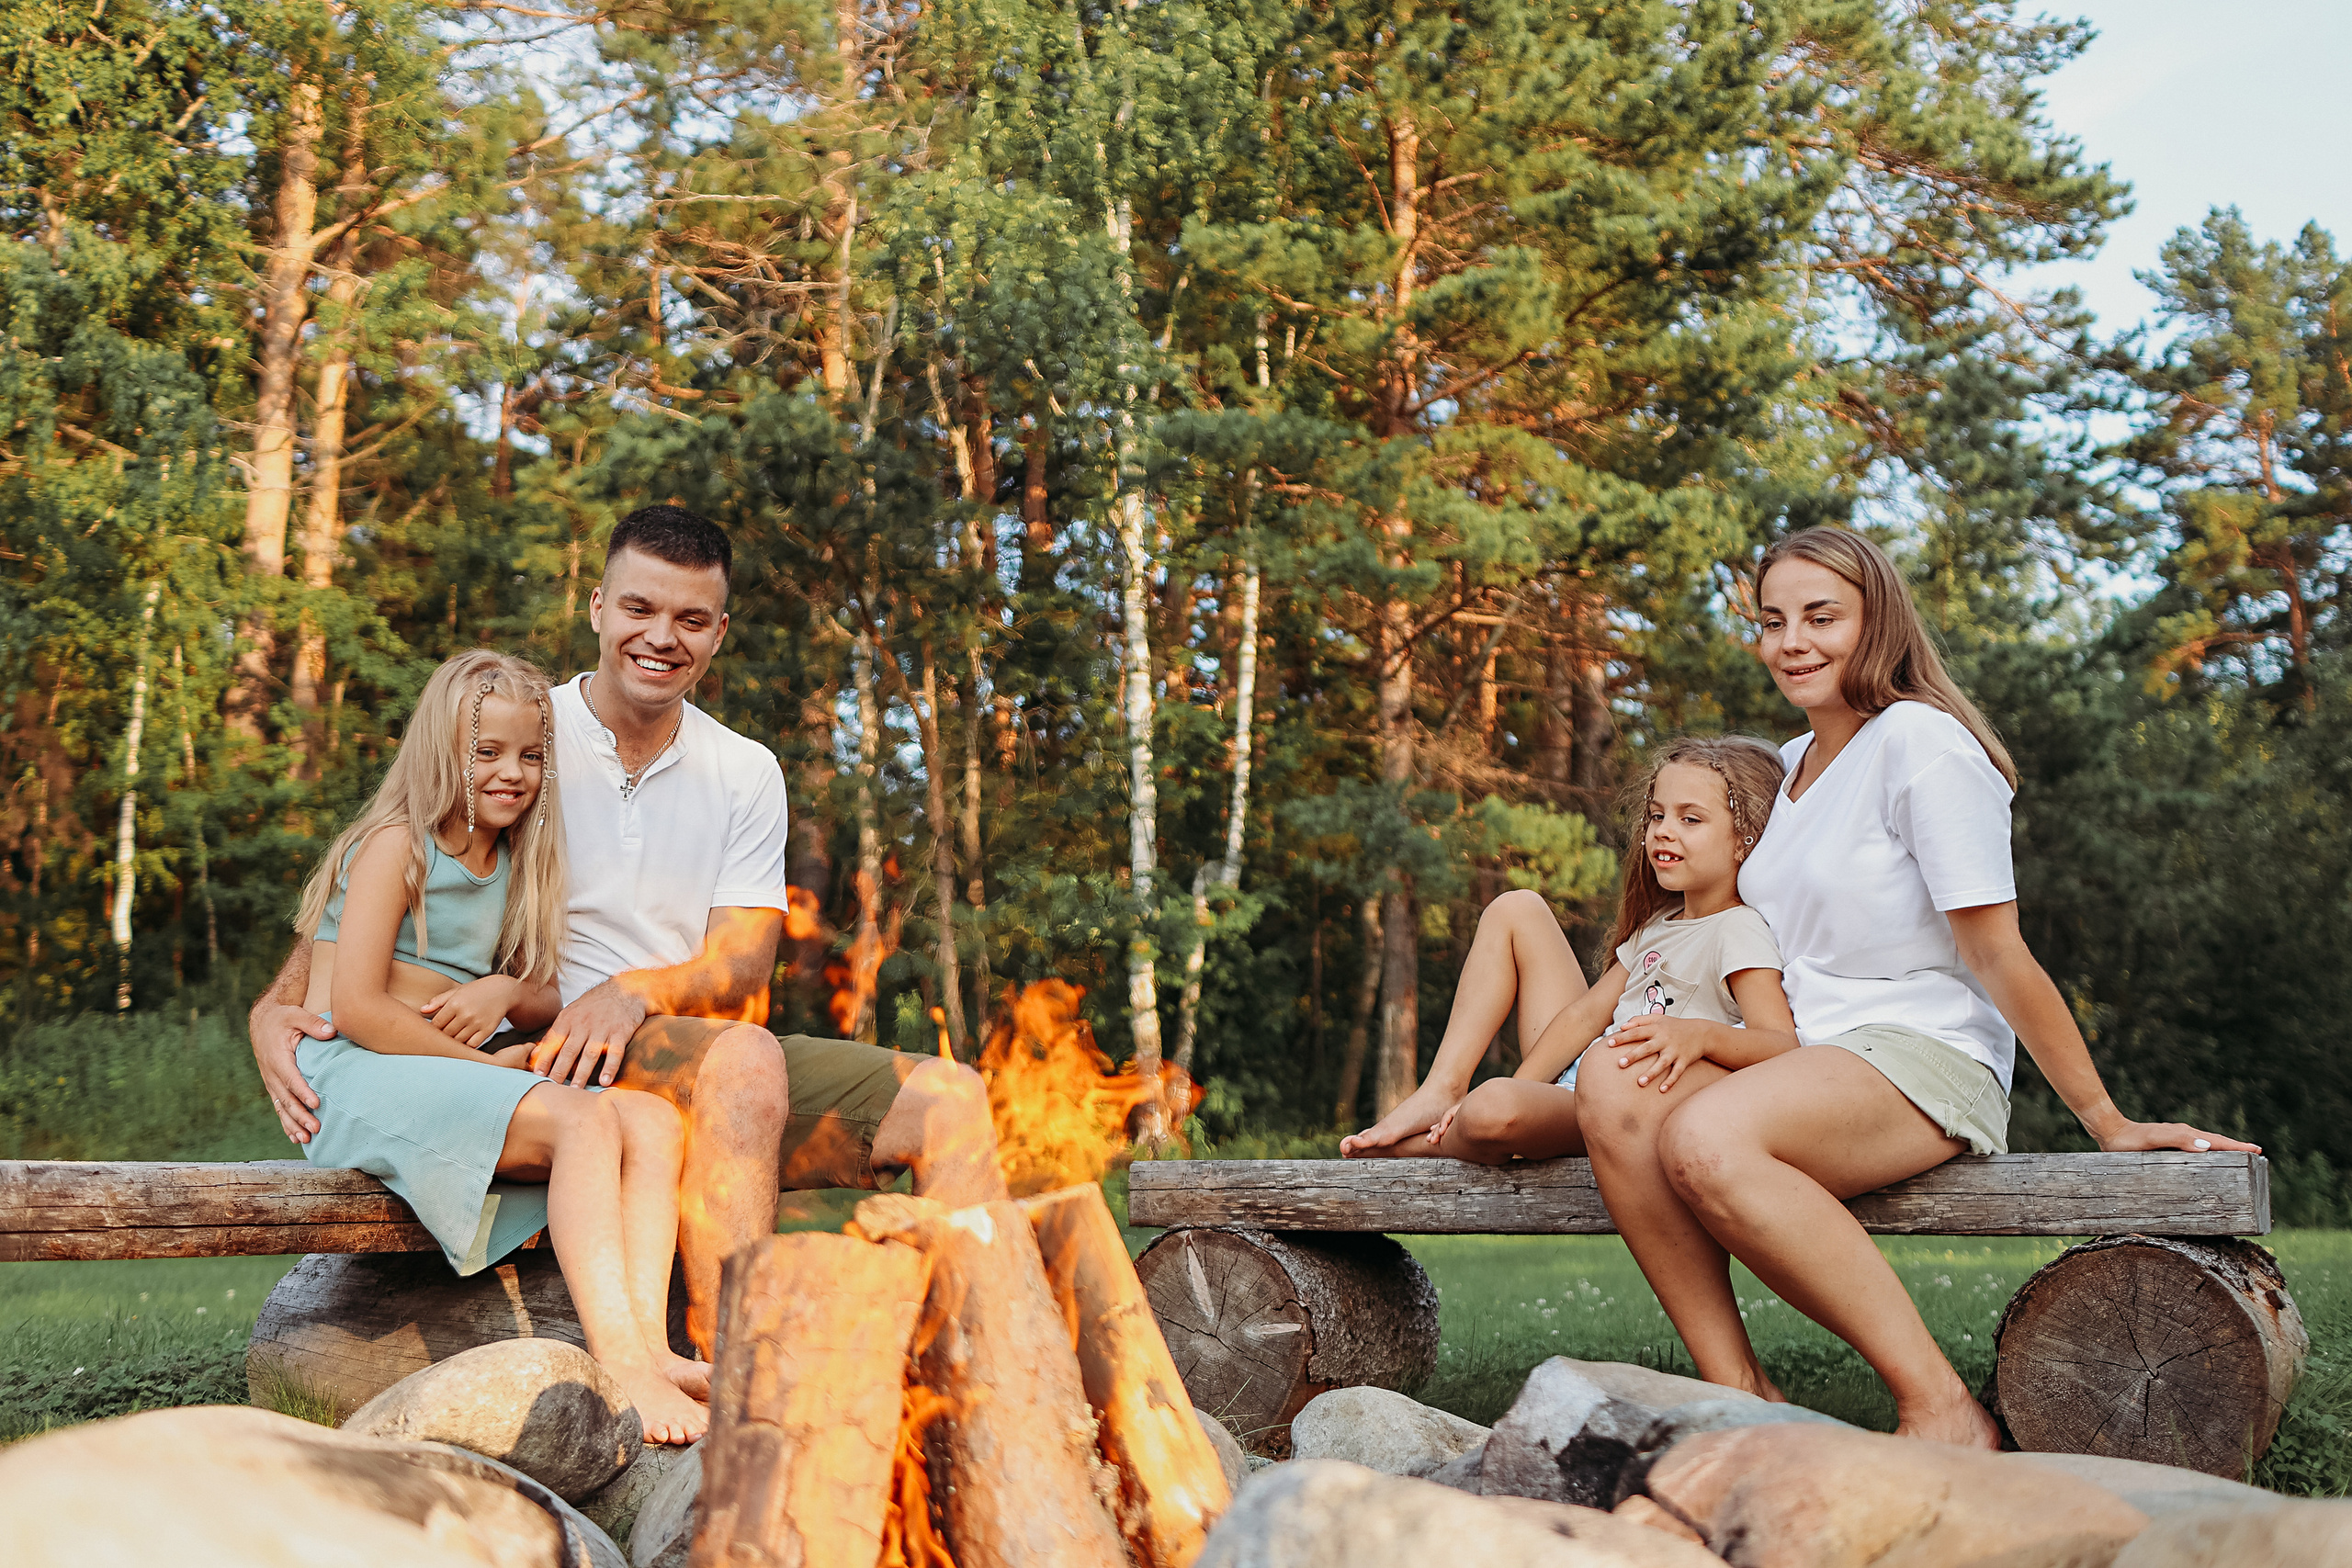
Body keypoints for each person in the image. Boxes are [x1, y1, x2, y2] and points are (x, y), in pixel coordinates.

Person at [249, 505, 1006, 1358]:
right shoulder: (526, 735)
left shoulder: (744, 770)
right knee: (744, 1061)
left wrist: (633, 994)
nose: (662, 637)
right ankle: (738, 1377)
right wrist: (275, 1008)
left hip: (698, 1055)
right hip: (543, 1050)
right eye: (640, 609)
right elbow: (381, 873)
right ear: (599, 606)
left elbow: (743, 962)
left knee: (950, 1099)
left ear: (720, 632)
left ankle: (988, 1376)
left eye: (690, 619)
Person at [1578, 525, 2259, 1448]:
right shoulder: (1785, 769)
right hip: (1803, 1057)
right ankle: (1741, 1395)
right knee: (1616, 1079)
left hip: (1919, 1053)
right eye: (1772, 621)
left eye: (1821, 617)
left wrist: (2107, 1120)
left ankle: (1939, 1408)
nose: (1793, 642)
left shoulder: (1922, 745)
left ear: (1879, 623)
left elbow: (1995, 954)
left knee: (1706, 1136)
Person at [287, 649, 708, 1443]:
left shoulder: (519, 856)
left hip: (441, 1068)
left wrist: (504, 993)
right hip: (355, 1069)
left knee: (653, 1124)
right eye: (487, 752)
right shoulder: (396, 846)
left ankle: (652, 1348)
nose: (512, 772)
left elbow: (546, 991)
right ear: (442, 753)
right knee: (582, 1123)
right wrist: (490, 1065)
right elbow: (360, 1008)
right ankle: (620, 1364)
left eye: (529, 754)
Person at [1341, 737, 1797, 1163]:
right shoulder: (1659, 925)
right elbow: (1585, 1016)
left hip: (1619, 1101)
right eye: (1657, 815)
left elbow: (1780, 1045)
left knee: (1492, 1109)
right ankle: (1442, 1089)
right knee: (1515, 907)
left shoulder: (1738, 929)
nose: (1663, 831)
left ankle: (1424, 1145)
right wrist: (1525, 1087)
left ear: (1745, 838)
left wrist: (1702, 1036)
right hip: (1575, 1077)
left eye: (1690, 819)